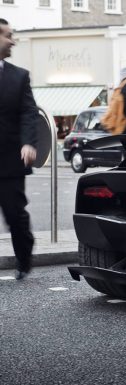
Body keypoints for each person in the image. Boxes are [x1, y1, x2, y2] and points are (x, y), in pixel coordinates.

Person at [0, 19, 38, 280]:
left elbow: (28, 112)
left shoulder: (19, 76)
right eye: (8, 35)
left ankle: (23, 260)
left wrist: (28, 141)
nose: (12, 40)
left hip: (9, 159)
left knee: (15, 215)